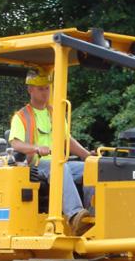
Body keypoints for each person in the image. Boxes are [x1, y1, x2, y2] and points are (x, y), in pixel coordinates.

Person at [9, 68, 94, 235]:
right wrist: (36, 148)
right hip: (36, 165)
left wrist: (88, 156)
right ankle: (75, 215)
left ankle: (93, 214)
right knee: (60, 168)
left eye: (47, 88)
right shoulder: (22, 116)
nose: (45, 92)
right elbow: (16, 143)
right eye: (40, 89)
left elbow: (66, 140)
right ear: (30, 90)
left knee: (92, 168)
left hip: (60, 162)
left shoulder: (55, 113)